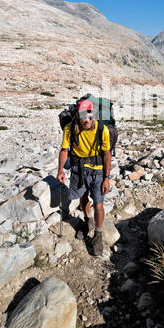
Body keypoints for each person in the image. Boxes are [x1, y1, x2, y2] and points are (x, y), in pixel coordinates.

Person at [56, 99, 111, 256]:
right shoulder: (70, 128)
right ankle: (87, 221)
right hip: (79, 169)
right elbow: (64, 149)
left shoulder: (103, 130)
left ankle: (98, 236)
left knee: (99, 204)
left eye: (90, 116)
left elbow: (107, 154)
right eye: (83, 117)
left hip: (98, 171)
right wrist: (61, 170)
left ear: (94, 114)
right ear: (78, 116)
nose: (87, 120)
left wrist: (106, 177)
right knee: (83, 197)